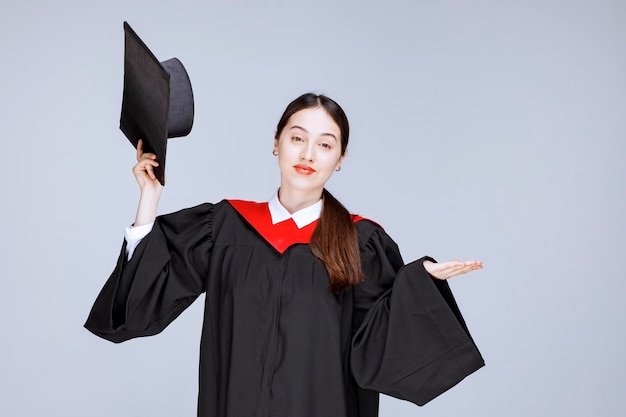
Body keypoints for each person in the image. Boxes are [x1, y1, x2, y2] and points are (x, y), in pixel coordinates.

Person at [85, 93, 484, 417]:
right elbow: (143, 301)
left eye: (325, 145)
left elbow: (377, 345)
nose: (309, 154)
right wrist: (148, 202)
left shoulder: (361, 242)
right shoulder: (225, 227)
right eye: (297, 138)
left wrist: (419, 286)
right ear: (276, 143)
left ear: (340, 159)